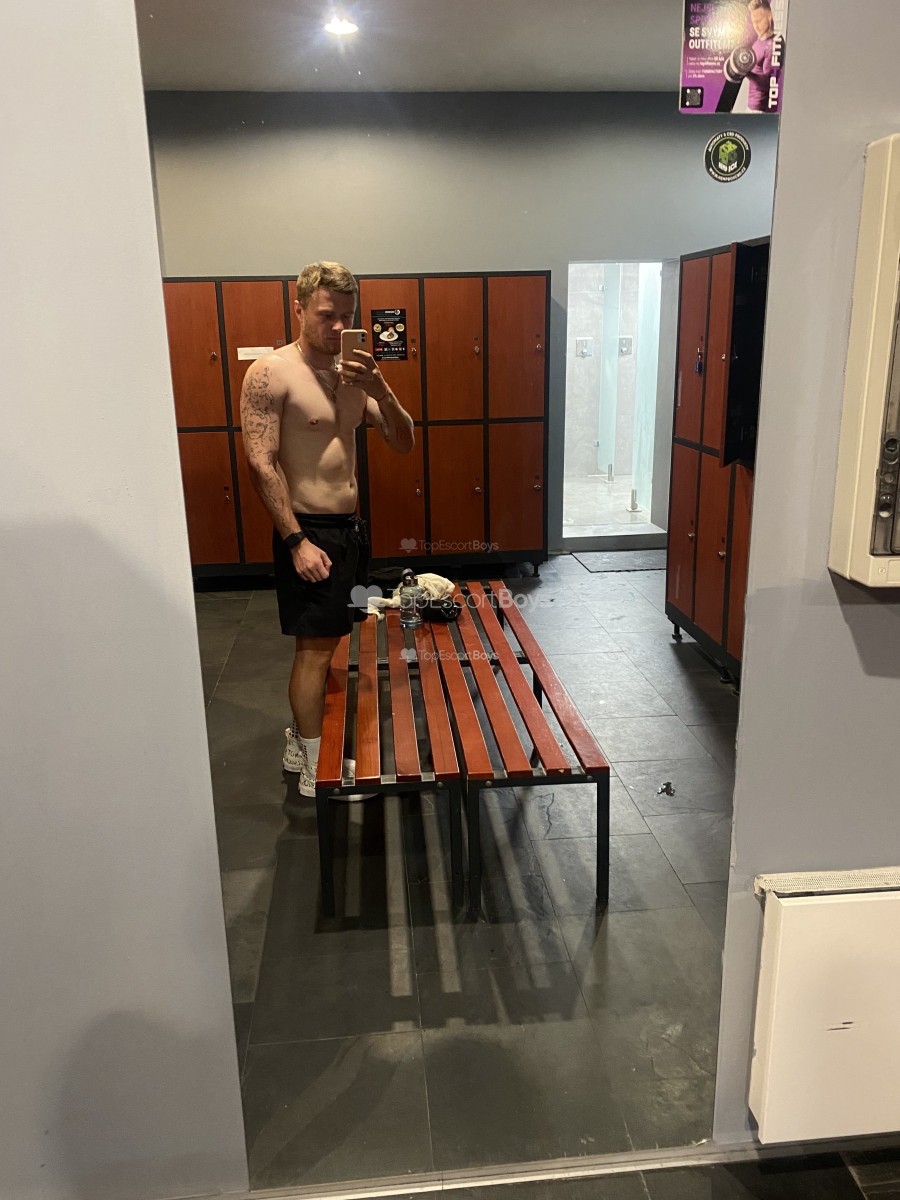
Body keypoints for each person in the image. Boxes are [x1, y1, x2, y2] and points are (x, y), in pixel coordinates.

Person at [240, 261, 415, 801]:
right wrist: (295, 541)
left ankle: (300, 742)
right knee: (314, 652)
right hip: (308, 530)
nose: (338, 327)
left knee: (335, 643)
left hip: (349, 530)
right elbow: (261, 463)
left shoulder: (355, 376)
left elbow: (404, 442)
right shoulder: (271, 373)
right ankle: (318, 770)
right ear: (298, 309)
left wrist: (381, 388)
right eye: (325, 315)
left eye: (347, 316)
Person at [744, 0, 784, 112]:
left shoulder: (773, 44)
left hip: (762, 109)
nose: (756, 26)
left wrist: (745, 72)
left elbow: (768, 83)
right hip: (752, 106)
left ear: (769, 16)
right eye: (754, 22)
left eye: (759, 21)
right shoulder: (759, 40)